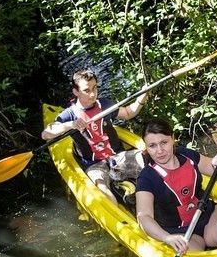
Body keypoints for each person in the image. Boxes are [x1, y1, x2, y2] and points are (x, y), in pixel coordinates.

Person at [135, 118, 217, 254]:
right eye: (152, 146)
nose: (159, 151)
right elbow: (144, 217)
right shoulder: (146, 178)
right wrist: (167, 238)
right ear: (146, 147)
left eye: (164, 142)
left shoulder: (187, 155)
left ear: (173, 139)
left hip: (207, 216)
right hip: (178, 233)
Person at [42, 68, 147, 203]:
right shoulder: (69, 114)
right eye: (87, 90)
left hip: (119, 157)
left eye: (95, 88)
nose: (92, 94)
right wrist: (71, 124)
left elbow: (128, 113)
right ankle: (119, 214)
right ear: (76, 92)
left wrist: (142, 96)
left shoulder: (104, 104)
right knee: (102, 188)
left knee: (149, 160)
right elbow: (46, 134)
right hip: (94, 165)